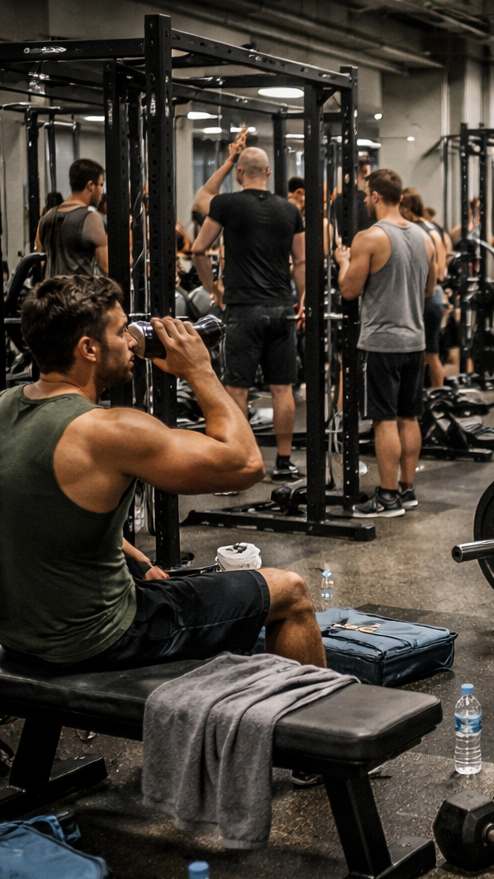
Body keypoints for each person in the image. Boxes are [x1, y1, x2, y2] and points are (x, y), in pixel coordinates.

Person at [0, 275, 325, 672]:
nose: (131, 341)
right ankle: (312, 712)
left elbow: (46, 515)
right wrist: (200, 371)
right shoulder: (108, 430)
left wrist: (139, 561)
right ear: (88, 348)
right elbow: (246, 464)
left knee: (161, 578)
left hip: (20, 638)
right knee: (290, 592)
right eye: (120, 332)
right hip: (100, 637)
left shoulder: (5, 406)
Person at [191, 147, 306, 481]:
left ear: (240, 172)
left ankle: (241, 461)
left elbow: (199, 249)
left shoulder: (226, 204)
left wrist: (213, 289)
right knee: (282, 389)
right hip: (281, 308)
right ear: (268, 173)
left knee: (237, 389)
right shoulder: (290, 209)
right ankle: (283, 463)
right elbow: (301, 260)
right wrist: (302, 300)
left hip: (242, 309)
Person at [337, 168, 436, 518]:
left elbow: (349, 290)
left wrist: (343, 262)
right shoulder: (425, 237)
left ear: (376, 196)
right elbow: (429, 290)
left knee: (385, 420)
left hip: (381, 343)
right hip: (415, 341)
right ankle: (407, 489)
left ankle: (388, 497)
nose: (365, 200)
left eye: (367, 195)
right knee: (409, 417)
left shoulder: (370, 237)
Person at [401, 186, 451, 388]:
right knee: (428, 355)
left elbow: (432, 269)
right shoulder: (434, 229)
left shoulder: (416, 232)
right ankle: (430, 398)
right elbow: (442, 270)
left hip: (425, 298)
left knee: (426, 354)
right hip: (435, 296)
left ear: (407, 209)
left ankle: (426, 397)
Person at [35, 158, 108, 277]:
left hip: (51, 288)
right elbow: (107, 267)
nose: (102, 192)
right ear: (90, 185)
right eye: (101, 185)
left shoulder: (46, 218)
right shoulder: (91, 218)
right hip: (80, 289)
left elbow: (41, 263)